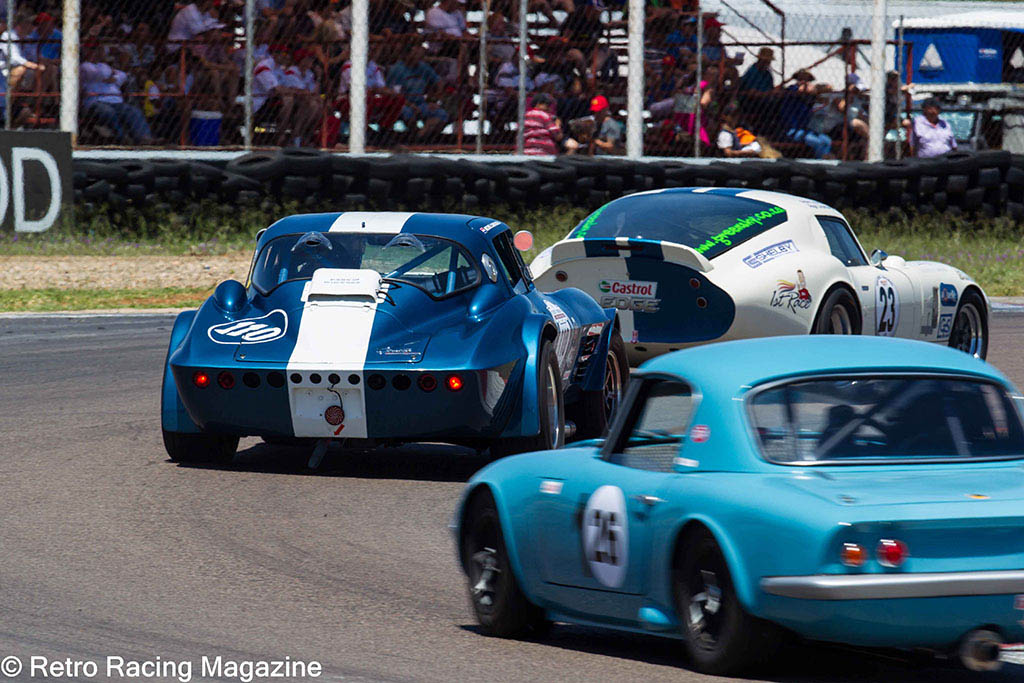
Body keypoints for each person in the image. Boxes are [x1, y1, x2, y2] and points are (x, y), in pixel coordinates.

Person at [79, 41, 154, 144]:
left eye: (98, 50)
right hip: (95, 101)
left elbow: (122, 76)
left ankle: (145, 138)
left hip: (115, 101)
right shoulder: (84, 66)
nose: (96, 52)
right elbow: (95, 74)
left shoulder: (104, 66)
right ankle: (122, 137)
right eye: (93, 50)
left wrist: (110, 76)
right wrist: (110, 75)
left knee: (133, 111)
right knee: (108, 112)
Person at [780, 69, 831, 158]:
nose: (804, 81)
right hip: (792, 129)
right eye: (801, 79)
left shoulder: (809, 96)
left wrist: (817, 90)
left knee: (827, 141)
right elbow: (800, 90)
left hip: (806, 129)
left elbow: (821, 91)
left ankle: (823, 160)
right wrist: (809, 88)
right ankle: (821, 162)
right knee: (817, 142)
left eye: (807, 80)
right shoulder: (791, 89)